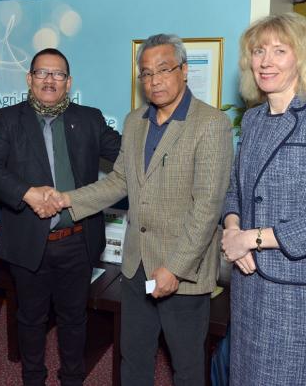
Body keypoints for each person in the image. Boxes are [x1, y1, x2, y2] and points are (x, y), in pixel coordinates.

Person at [48, 34, 233, 386]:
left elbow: (208, 208)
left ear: (184, 70)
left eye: (163, 70)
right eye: (146, 74)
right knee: (133, 357)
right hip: (136, 266)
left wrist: (175, 270)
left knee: (187, 365)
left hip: (183, 270)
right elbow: (120, 181)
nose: (154, 80)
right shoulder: (135, 122)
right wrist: (68, 199)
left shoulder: (211, 124)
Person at [220, 12, 306, 386]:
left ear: (302, 58)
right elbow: (235, 190)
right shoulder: (252, 121)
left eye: (279, 51)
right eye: (258, 51)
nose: (266, 61)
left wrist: (250, 238)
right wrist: (233, 229)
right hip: (248, 280)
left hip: (297, 291)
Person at [0, 48, 121, 386]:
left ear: (68, 82)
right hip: (30, 244)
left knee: (74, 319)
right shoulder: (8, 119)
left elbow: (126, 155)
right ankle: (33, 379)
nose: (49, 80)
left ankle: (72, 378)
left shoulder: (90, 118)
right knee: (30, 319)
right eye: (42, 73)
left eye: (57, 74)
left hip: (77, 242)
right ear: (29, 79)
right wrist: (27, 193)